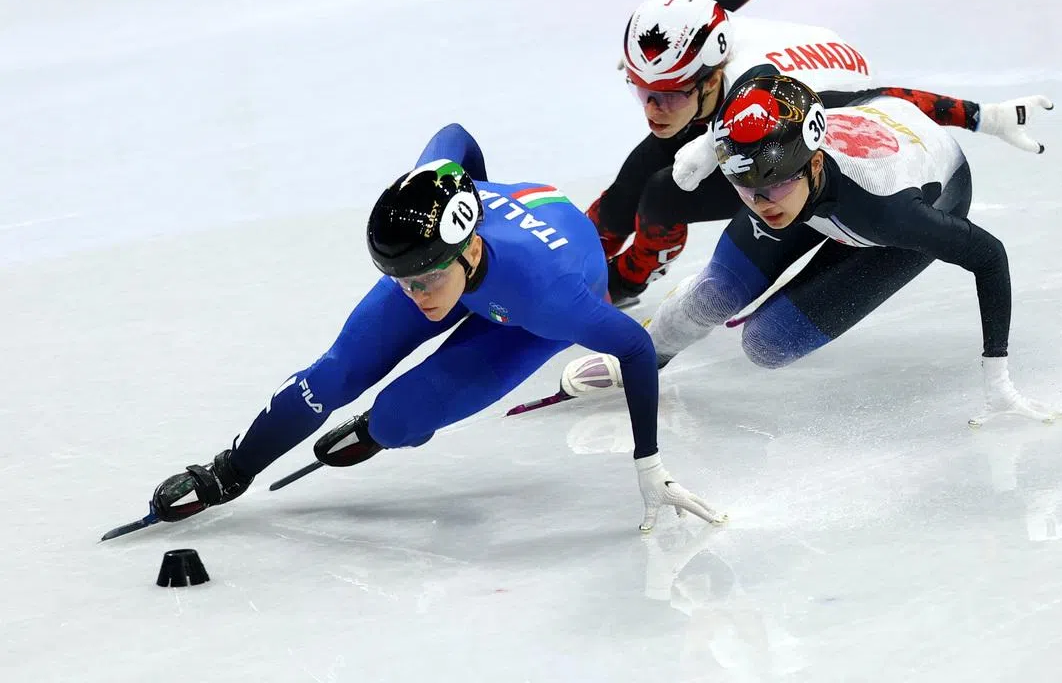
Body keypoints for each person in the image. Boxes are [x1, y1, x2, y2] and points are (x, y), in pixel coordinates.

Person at [145, 123, 724, 533]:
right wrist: (444, 191)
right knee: (334, 374)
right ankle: (229, 471)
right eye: (402, 281)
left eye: (422, 282)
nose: (414, 295)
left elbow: (635, 347)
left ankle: (380, 427)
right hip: (478, 258)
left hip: (523, 312)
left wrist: (649, 462)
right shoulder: (430, 255)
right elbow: (455, 137)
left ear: (469, 248)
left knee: (402, 416)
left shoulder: (548, 297)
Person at [562, 71, 1062, 427]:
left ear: (813, 164)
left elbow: (990, 256)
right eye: (746, 191)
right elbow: (761, 77)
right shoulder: (777, 150)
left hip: (926, 194)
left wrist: (996, 373)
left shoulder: (890, 212)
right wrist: (708, 143)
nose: (762, 204)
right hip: (857, 146)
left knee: (767, 344)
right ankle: (652, 353)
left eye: (774, 187)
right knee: (715, 292)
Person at [591, 0, 1053, 307]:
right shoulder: (699, 28)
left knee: (660, 191)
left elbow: (887, 97)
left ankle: (632, 278)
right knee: (639, 168)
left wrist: (982, 116)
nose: (652, 106)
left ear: (712, 74)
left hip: (834, 93)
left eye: (668, 93)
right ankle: (593, 240)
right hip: (789, 64)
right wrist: (656, 75)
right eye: (640, 88)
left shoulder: (764, 96)